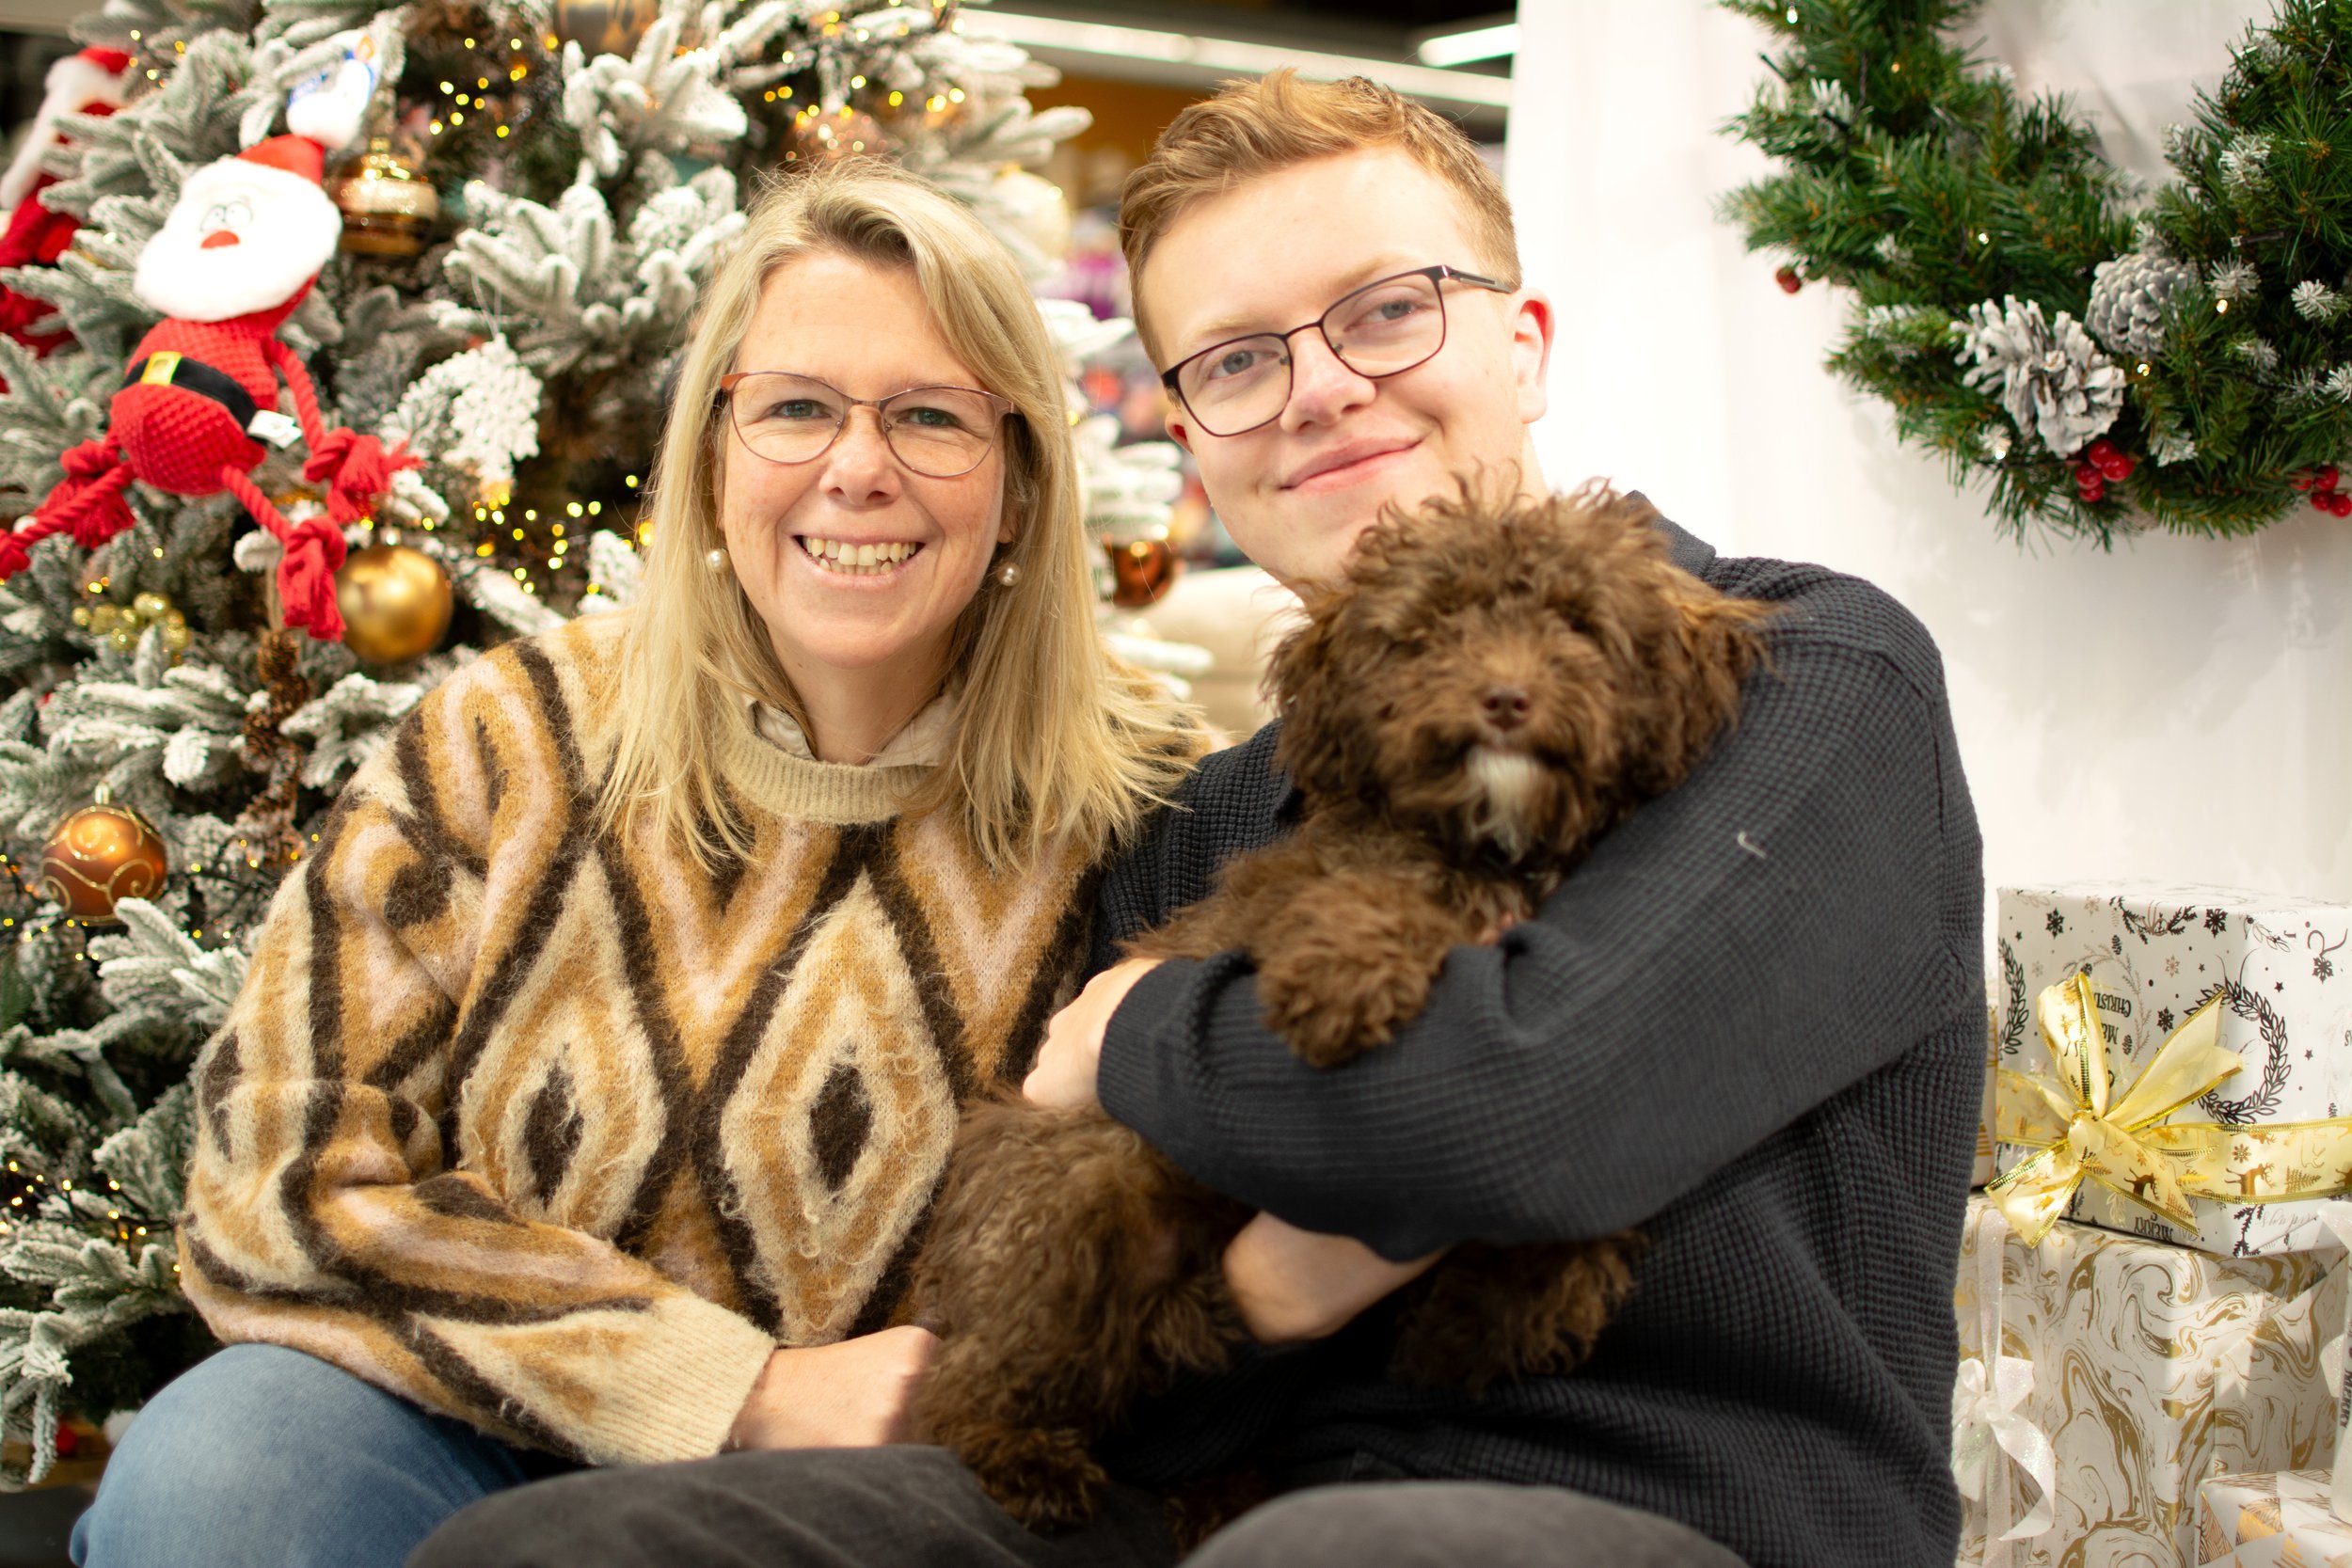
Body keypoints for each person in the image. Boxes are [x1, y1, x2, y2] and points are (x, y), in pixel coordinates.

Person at [415, 71, 1983, 1568]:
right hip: (1209, 1517)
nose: (1320, 387)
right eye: (1236, 359)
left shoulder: (1801, 675)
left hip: (1696, 1523)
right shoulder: (1210, 816)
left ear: (1527, 341)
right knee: (556, 1552)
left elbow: (1519, 1114)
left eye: (1389, 308)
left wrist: (1150, 1025)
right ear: (1188, 436)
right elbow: (1123, 1330)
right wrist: (1264, 1297)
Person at [69, 158, 1199, 1568]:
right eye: (795, 408)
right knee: (224, 1474)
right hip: (475, 1433)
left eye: (930, 417)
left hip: (902, 1492)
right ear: (714, 451)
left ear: (1023, 482)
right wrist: (733, 1389)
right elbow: (282, 1180)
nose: (858, 467)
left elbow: (1194, 1231)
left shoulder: (1149, 805)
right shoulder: (509, 738)